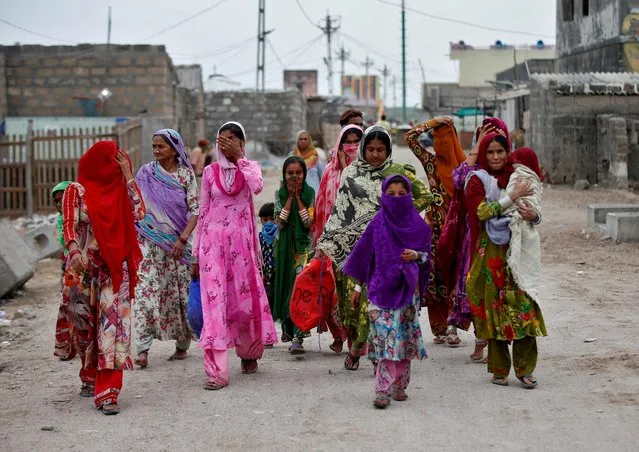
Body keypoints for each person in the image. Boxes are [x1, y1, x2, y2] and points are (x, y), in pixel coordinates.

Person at [317, 125, 432, 371]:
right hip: (354, 248)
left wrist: (395, 212)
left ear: (388, 150)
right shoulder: (351, 172)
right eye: (370, 149)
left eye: (381, 149)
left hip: (387, 248)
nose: (376, 154)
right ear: (363, 149)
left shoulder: (398, 173)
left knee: (376, 302)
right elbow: (341, 209)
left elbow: (424, 196)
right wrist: (327, 240)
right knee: (353, 302)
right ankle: (357, 346)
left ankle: (371, 352)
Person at [192, 121, 278, 390]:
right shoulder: (209, 172)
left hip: (241, 246)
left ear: (242, 142)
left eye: (231, 139)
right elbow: (203, 210)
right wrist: (196, 254)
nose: (225, 144)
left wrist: (241, 158)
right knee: (215, 305)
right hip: (212, 246)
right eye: (222, 139)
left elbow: (257, 187)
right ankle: (216, 373)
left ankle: (249, 352)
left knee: (242, 301)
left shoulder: (250, 168)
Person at [63, 141, 146, 415]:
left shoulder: (122, 189)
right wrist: (74, 248)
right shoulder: (77, 190)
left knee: (111, 330)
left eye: (117, 161)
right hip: (83, 270)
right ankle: (88, 372)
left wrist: (128, 177)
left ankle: (108, 392)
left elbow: (140, 214)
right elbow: (69, 224)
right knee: (85, 329)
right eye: (111, 161)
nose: (114, 166)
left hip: (114, 270)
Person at [465, 133, 546, 389]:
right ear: (484, 156)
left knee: (524, 309)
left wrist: (534, 216)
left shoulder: (518, 177)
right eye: (490, 152)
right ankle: (499, 369)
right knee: (495, 311)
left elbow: (534, 210)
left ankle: (525, 369)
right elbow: (481, 212)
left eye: (501, 151)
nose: (496, 157)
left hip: (517, 254)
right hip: (490, 255)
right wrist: (510, 199)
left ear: (508, 153)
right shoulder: (478, 180)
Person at [343, 175, 431, 409]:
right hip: (380, 290)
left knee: (403, 338)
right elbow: (363, 257)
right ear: (383, 196)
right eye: (390, 194)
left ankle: (399, 385)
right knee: (385, 339)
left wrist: (416, 255)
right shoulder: (377, 224)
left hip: (407, 292)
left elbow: (426, 256)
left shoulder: (419, 226)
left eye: (402, 194)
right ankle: (382, 389)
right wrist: (357, 287)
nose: (396, 198)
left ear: (410, 196)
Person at [439, 118, 510, 362]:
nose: (495, 152)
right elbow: (457, 179)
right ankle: (481, 340)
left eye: (500, 143)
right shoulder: (476, 173)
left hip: (507, 241)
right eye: (488, 143)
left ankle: (500, 343)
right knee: (477, 288)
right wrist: (478, 147)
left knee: (502, 290)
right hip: (477, 238)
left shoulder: (514, 170)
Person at [133, 129, 198, 368]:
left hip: (179, 247)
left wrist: (182, 240)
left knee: (181, 295)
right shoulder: (146, 173)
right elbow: (136, 204)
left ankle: (182, 344)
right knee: (145, 294)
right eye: (154, 146)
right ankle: (142, 348)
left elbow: (195, 210)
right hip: (149, 245)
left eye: (161, 146)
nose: (156, 150)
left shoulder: (185, 176)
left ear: (173, 148)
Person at [406, 117, 467, 347]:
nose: (440, 144)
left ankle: (453, 325)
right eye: (436, 139)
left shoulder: (463, 168)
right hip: (433, 230)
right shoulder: (430, 163)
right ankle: (439, 327)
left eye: (445, 139)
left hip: (457, 230)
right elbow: (410, 138)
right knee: (435, 277)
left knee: (455, 275)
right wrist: (432, 123)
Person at [312, 124, 363, 353]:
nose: (351, 146)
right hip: (334, 242)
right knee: (333, 292)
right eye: (347, 141)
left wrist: (346, 168)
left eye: (356, 141)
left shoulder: (365, 171)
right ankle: (338, 335)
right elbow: (322, 205)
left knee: (356, 292)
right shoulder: (328, 172)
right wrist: (320, 242)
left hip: (359, 243)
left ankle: (356, 340)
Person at [273, 156, 315, 354]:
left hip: (303, 249)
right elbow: (279, 223)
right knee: (286, 287)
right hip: (284, 250)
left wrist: (298, 199)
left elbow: (308, 223)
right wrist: (289, 198)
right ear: (284, 174)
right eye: (290, 173)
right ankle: (288, 331)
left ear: (304, 174)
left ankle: (298, 335)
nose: (294, 177)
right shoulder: (279, 194)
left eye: (298, 173)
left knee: (300, 289)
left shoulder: (310, 193)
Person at [52, 181, 76, 361]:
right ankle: (67, 346)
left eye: (64, 197)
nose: (61, 202)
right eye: (57, 200)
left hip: (83, 265)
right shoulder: (61, 219)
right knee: (68, 303)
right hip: (70, 269)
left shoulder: (80, 215)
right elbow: (64, 247)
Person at [291, 130, 325, 194]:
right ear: (297, 141)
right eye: (300, 139)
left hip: (313, 196)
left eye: (305, 139)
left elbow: (323, 178)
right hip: (296, 196)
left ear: (309, 141)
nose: (303, 141)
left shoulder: (316, 157)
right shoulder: (291, 157)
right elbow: (283, 178)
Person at [258, 202, 277, 321]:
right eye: (265, 219)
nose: (269, 222)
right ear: (261, 221)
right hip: (265, 276)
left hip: (278, 274)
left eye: (272, 219)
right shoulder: (258, 237)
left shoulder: (280, 237)